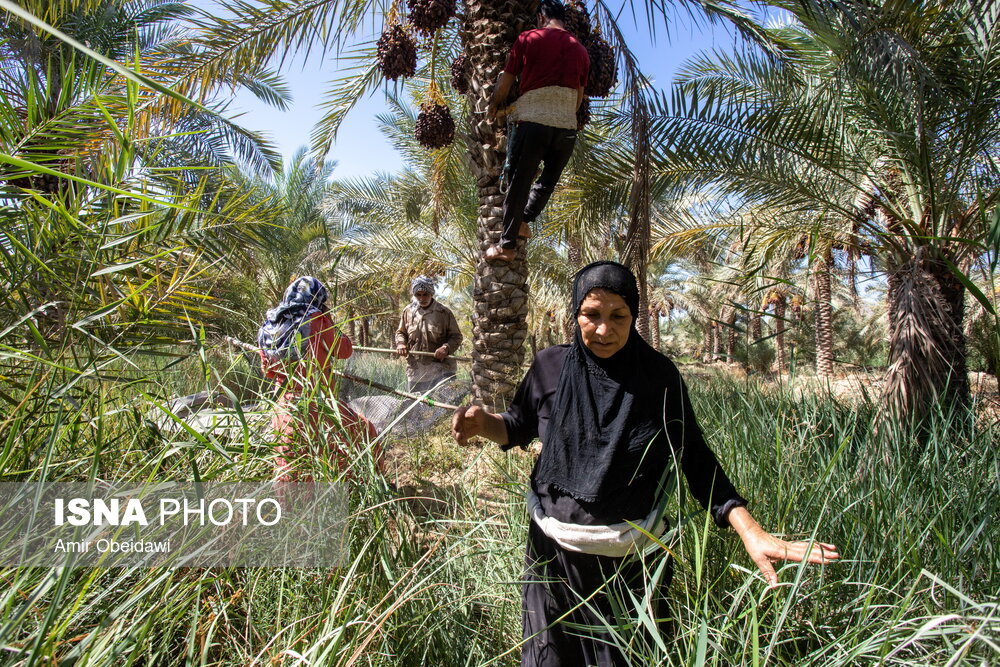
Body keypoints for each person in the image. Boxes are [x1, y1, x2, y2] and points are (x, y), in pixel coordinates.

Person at [452, 261, 839, 666]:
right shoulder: (549, 366)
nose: (604, 330)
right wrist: (485, 424)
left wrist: (751, 531)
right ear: (575, 314)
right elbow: (518, 426)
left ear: (634, 314)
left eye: (618, 316)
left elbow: (695, 458)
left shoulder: (658, 377)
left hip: (631, 567)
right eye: (591, 315)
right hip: (552, 559)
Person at [484, 0, 590, 263]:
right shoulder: (581, 51)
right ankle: (525, 220)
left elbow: (506, 82)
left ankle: (506, 247)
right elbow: (578, 99)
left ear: (542, 17)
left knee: (520, 182)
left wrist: (495, 106)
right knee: (546, 183)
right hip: (566, 129)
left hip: (532, 123)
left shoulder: (529, 38)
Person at [258, 276, 379, 484]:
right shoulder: (317, 319)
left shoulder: (270, 324)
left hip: (284, 406)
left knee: (288, 460)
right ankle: (366, 491)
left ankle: (290, 510)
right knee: (364, 434)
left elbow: (267, 370)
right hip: (319, 403)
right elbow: (344, 350)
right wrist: (329, 320)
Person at [395, 276, 464, 392]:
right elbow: (401, 332)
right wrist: (401, 344)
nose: (422, 298)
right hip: (416, 371)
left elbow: (456, 336)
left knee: (443, 407)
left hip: (441, 370)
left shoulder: (444, 312)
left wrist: (446, 348)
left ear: (431, 293)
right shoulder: (408, 312)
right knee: (416, 406)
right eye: (418, 295)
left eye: (425, 294)